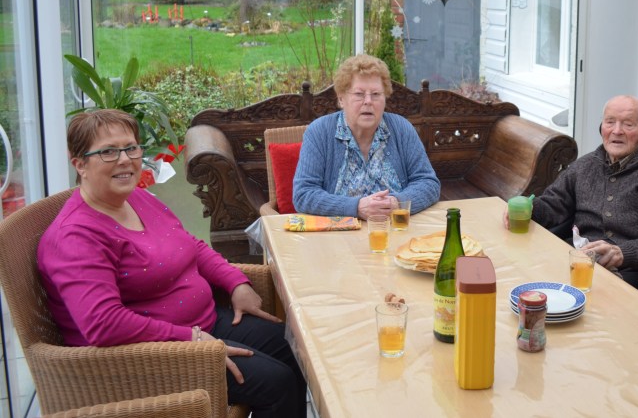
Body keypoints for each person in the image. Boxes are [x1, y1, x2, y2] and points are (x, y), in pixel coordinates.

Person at [37, 110, 306, 418]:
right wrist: (190, 340)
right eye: (109, 152)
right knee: (277, 383)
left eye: (131, 147)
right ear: (80, 164)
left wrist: (234, 281)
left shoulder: (136, 198)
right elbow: (103, 324)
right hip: (143, 357)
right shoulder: (76, 237)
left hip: (202, 323)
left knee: (297, 348)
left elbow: (188, 244)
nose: (125, 159)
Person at [520, 95, 638, 290]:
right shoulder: (585, 165)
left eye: (628, 125)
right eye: (610, 122)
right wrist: (528, 208)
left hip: (630, 271)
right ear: (602, 128)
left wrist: (623, 253)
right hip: (577, 259)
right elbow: (554, 203)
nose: (617, 131)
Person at [292, 54, 440, 219]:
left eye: (376, 94)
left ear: (385, 98)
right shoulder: (319, 132)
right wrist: (356, 207)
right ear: (341, 99)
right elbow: (303, 194)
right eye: (359, 94)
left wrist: (398, 203)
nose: (368, 101)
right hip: (338, 237)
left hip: (395, 231)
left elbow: (429, 183)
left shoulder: (401, 129)